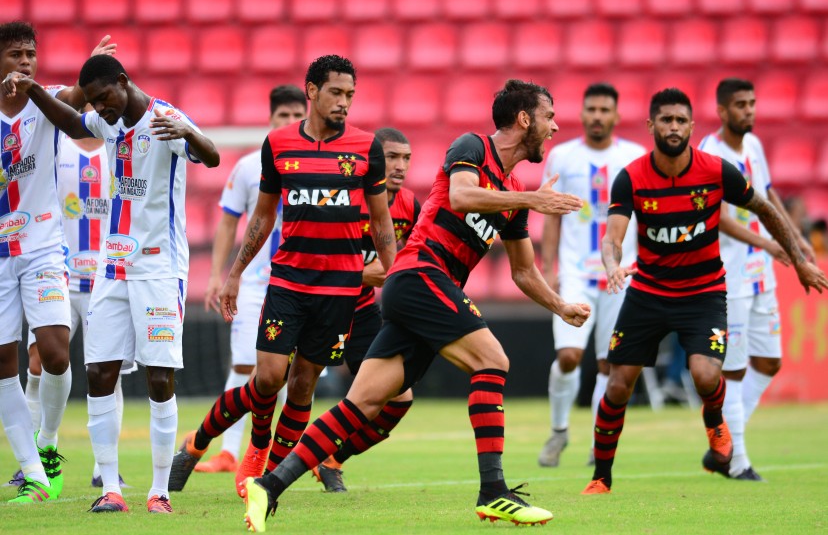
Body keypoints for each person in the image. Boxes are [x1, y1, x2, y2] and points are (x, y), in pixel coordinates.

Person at [242, 79, 590, 532]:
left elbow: (522, 272)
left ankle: (268, 485)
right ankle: (494, 493)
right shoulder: (473, 147)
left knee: (362, 403)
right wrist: (532, 198)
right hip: (420, 275)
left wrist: (560, 306)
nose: (555, 126)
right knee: (493, 361)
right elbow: (462, 196)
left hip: (424, 290)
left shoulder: (514, 193)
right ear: (525, 119)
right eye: (549, 117)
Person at [168, 55, 396, 501]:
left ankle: (267, 481)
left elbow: (382, 222)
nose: (344, 102)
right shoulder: (279, 145)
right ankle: (204, 444)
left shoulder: (366, 148)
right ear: (311, 91)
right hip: (289, 281)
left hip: (340, 289)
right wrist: (234, 274)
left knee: (305, 382)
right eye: (336, 92)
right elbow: (262, 216)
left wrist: (398, 272)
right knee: (268, 377)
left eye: (350, 94)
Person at [581, 88, 828, 495]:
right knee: (618, 383)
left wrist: (798, 258)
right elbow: (613, 238)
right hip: (648, 292)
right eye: (666, 120)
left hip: (704, 292)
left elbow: (764, 208)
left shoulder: (716, 170)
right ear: (651, 126)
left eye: (680, 120)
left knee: (705, 373)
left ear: (692, 126)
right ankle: (601, 477)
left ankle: (715, 423)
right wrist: (611, 265)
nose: (673, 127)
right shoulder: (632, 177)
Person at [5, 53, 221, 512]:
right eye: (96, 102)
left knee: (159, 378)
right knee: (99, 373)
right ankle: (110, 487)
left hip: (160, 270)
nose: (99, 109)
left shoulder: (165, 119)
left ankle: (160, 491)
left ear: (123, 83)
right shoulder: (108, 122)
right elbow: (71, 122)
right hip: (112, 267)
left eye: (104, 98)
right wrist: (35, 90)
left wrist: (192, 135)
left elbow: (212, 156)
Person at [0, 21, 115, 503]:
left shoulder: (46, 101)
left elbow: (77, 94)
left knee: (55, 352)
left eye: (31, 53)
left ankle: (46, 445)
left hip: (44, 246)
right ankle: (31, 470)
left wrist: (94, 68)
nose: (25, 61)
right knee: (5, 365)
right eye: (15, 54)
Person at [698, 78, 817, 481]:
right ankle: (736, 461)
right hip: (729, 276)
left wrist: (797, 239)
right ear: (721, 110)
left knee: (768, 362)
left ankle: (723, 441)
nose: (748, 111)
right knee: (733, 370)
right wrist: (767, 244)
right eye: (740, 105)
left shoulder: (754, 146)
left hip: (760, 275)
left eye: (752, 103)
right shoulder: (710, 155)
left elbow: (766, 197)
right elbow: (719, 217)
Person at [194, 85, 307, 475]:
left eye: (297, 117)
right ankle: (229, 452)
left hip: (303, 283)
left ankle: (286, 454)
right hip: (258, 282)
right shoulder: (248, 167)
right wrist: (217, 275)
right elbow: (228, 223)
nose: (291, 124)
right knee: (246, 365)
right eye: (283, 117)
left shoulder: (315, 163)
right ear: (271, 120)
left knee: (293, 374)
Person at [537, 83, 645, 468]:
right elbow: (550, 216)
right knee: (568, 356)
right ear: (581, 114)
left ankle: (599, 440)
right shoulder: (562, 157)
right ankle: (559, 431)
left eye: (605, 110)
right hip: (575, 275)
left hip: (621, 276)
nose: (598, 116)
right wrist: (549, 269)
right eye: (592, 109)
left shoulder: (635, 157)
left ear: (615, 115)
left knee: (609, 364)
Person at [310, 126, 420, 492]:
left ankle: (332, 460)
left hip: (361, 311)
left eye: (406, 158)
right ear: (374, 160)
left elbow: (411, 260)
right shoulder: (346, 198)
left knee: (399, 399)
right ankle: (195, 448)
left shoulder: (410, 205)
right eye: (392, 157)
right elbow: (322, 260)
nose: (400, 166)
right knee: (272, 385)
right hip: (317, 304)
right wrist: (375, 272)